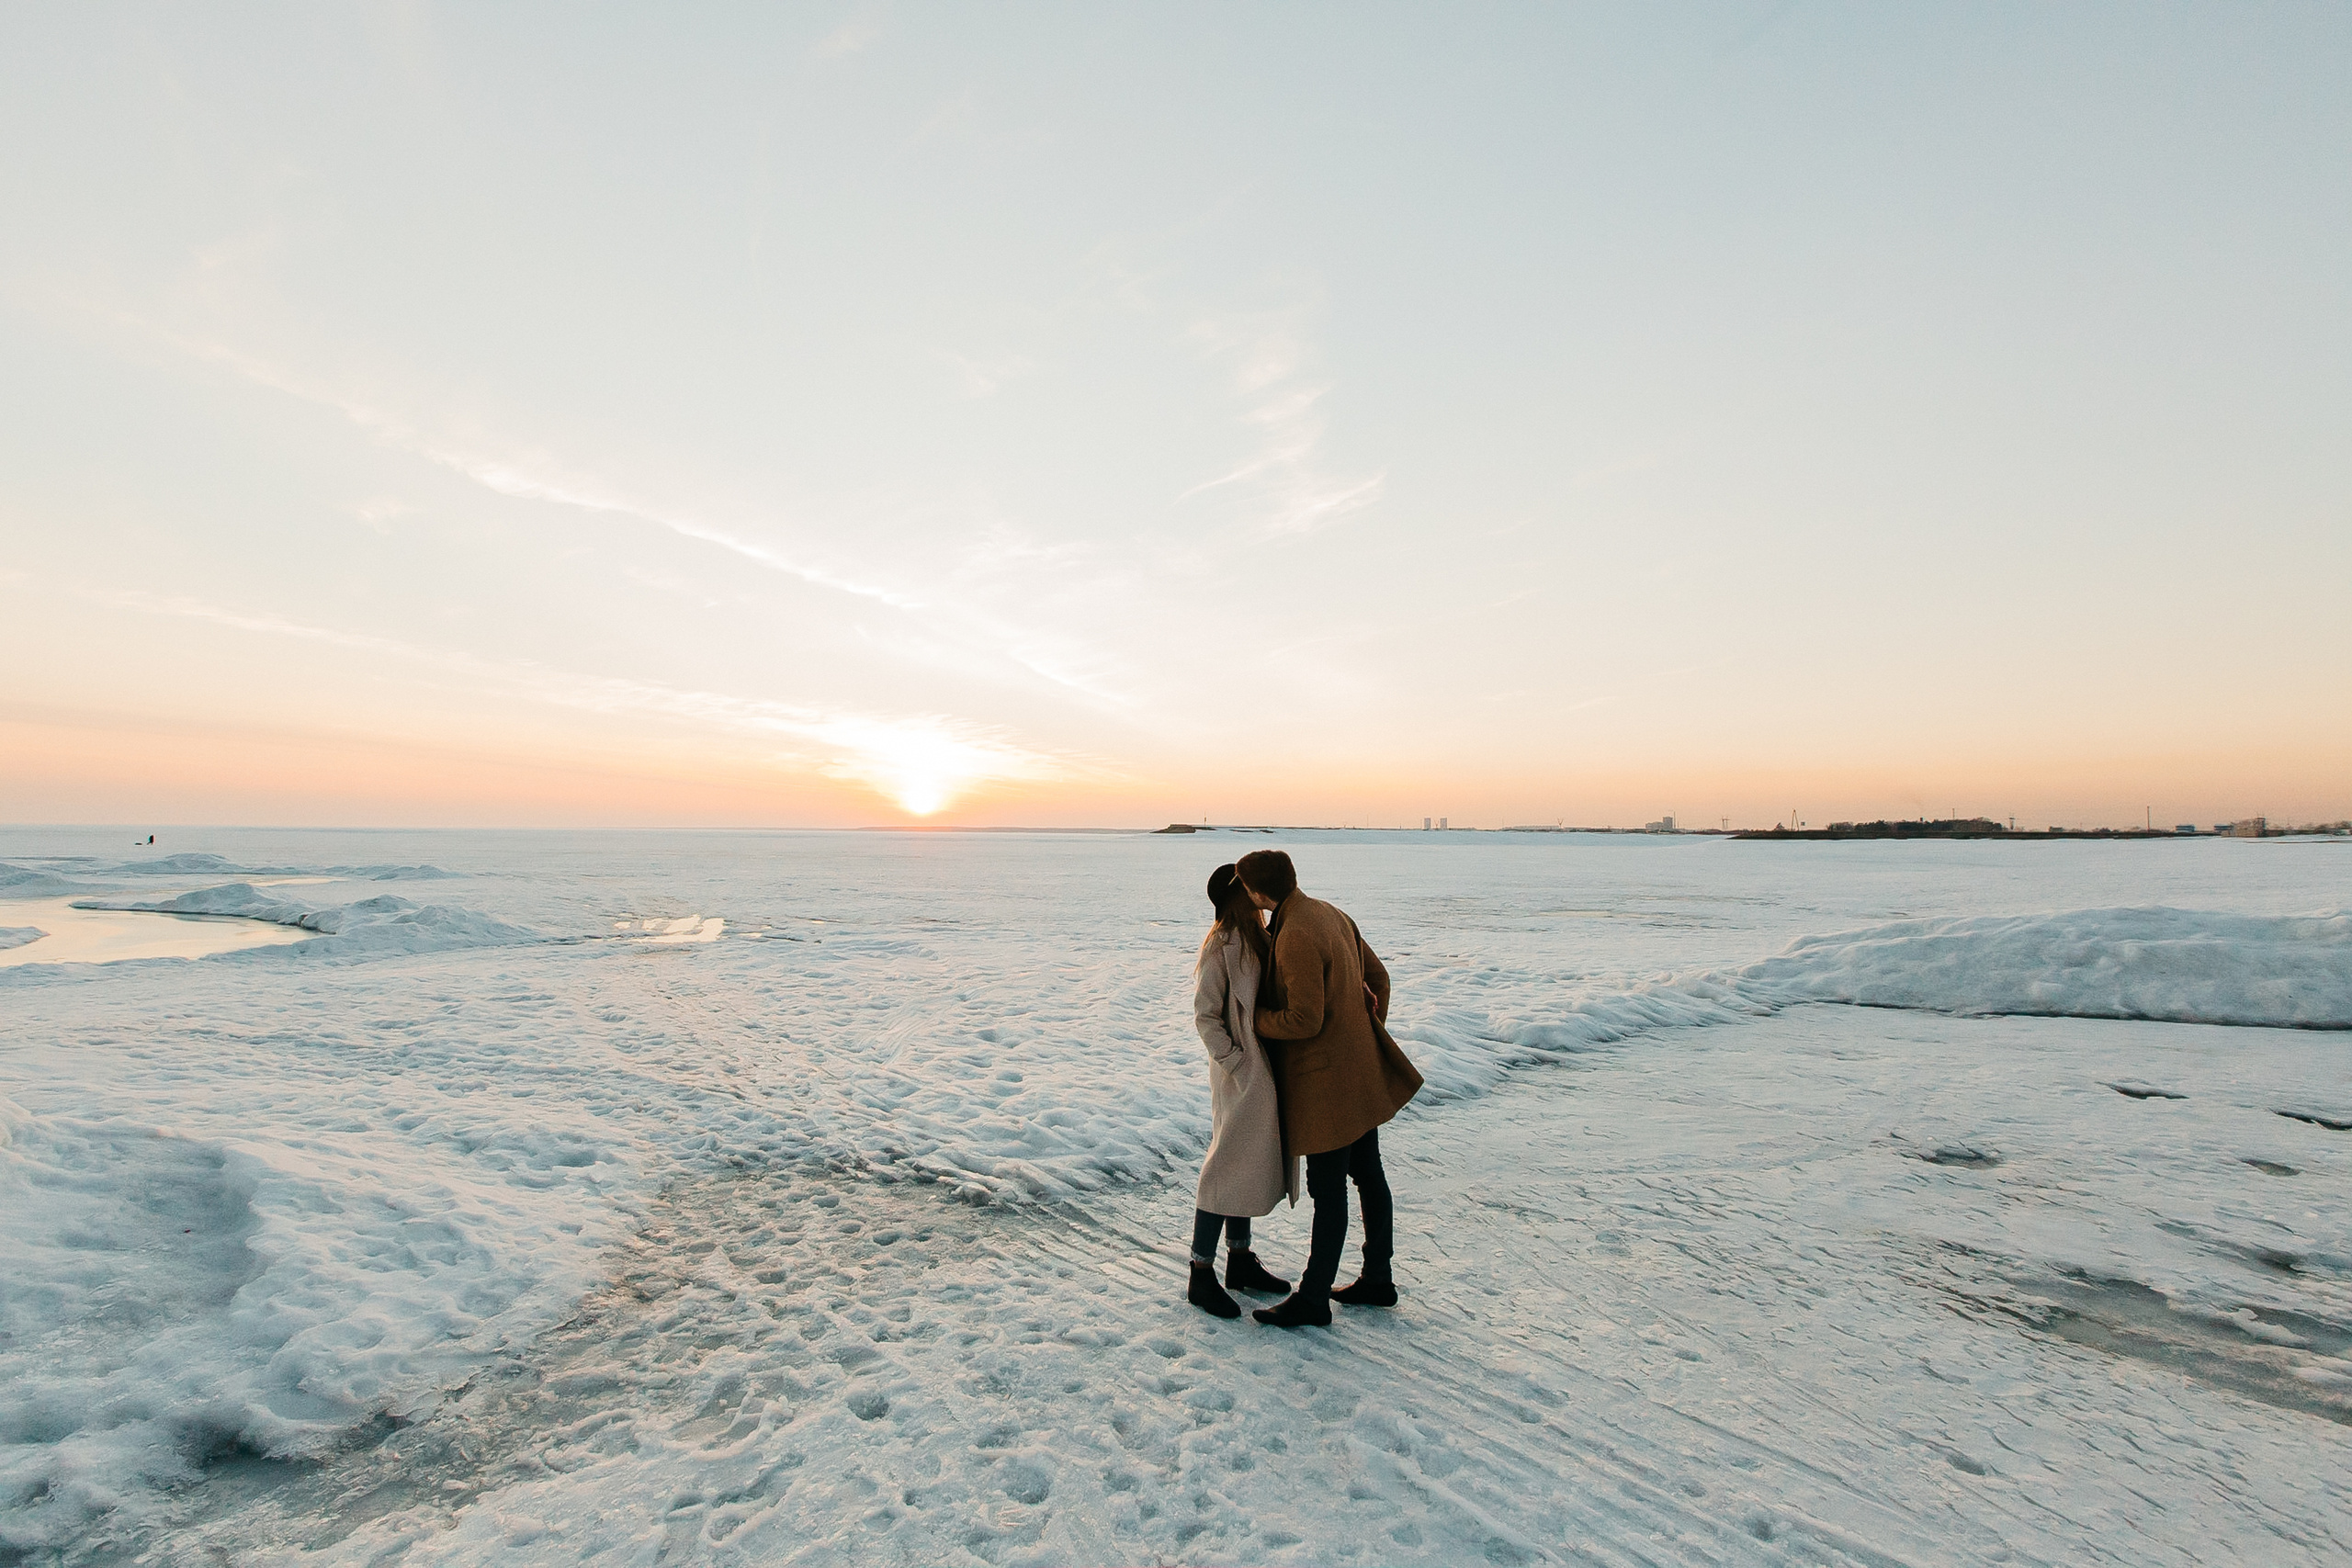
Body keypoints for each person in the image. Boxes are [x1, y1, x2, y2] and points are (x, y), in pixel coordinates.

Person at [1237, 848, 1421, 1327]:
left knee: (1329, 1191)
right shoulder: (1331, 913)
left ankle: (1314, 1298)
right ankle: (1378, 1278)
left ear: (1258, 893)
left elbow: (1304, 1019)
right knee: (1369, 1175)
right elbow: (1379, 978)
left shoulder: (1295, 933)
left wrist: (1252, 1020)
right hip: (1358, 1075)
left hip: (1325, 1088)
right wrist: (1361, 1033)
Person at [1185, 863, 1295, 1318]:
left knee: (1246, 1163)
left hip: (1262, 1070)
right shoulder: (1220, 946)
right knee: (1225, 1166)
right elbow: (1205, 1016)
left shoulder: (1260, 935)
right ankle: (1200, 1271)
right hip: (1241, 1074)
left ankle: (1240, 1259)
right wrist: (1236, 1061)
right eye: (1246, 887)